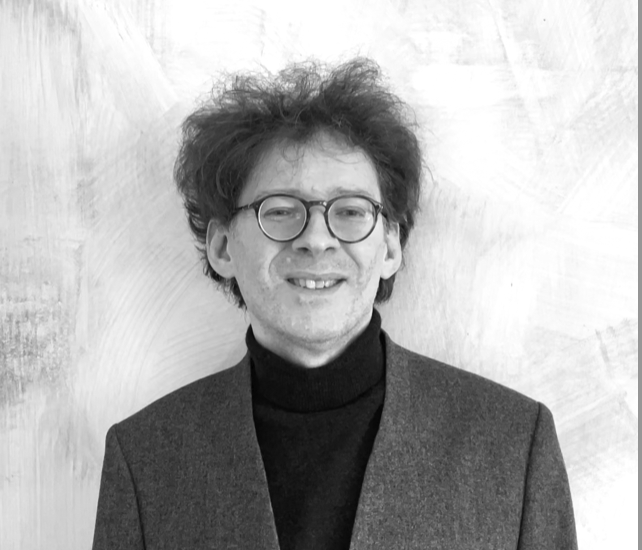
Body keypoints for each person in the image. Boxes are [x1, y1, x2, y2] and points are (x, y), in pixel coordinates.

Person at [92, 58, 578, 550]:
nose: (317, 239)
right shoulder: (144, 461)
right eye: (280, 211)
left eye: (350, 211)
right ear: (222, 248)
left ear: (390, 247)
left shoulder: (514, 445)